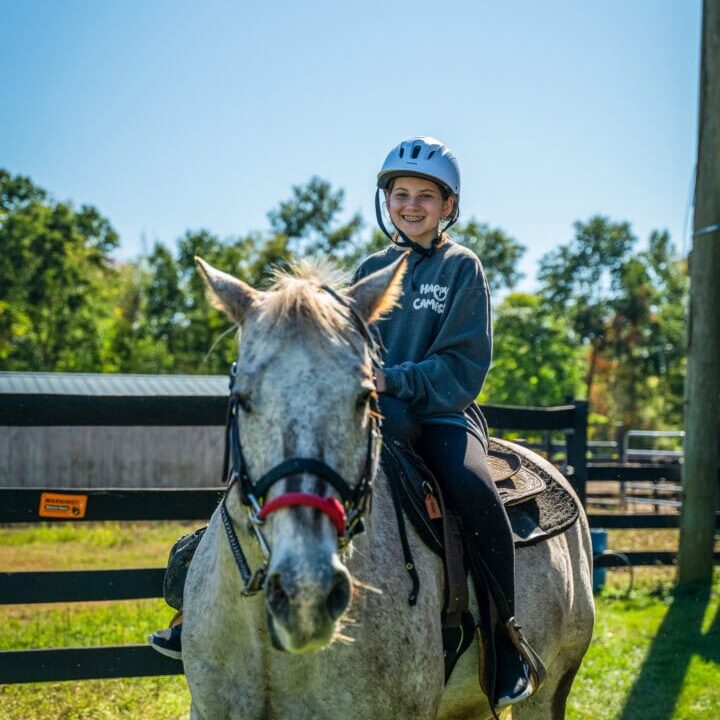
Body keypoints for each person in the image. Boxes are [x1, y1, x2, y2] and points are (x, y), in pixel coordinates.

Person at [149, 135, 543, 710]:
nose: (411, 205)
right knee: (265, 481)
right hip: (366, 413)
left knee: (474, 491)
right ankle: (199, 615)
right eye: (400, 194)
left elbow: (463, 364)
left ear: (448, 206)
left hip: (438, 414)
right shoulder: (370, 270)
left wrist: (397, 381)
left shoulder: (463, 269)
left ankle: (504, 639)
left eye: (426, 197)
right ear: (386, 201)